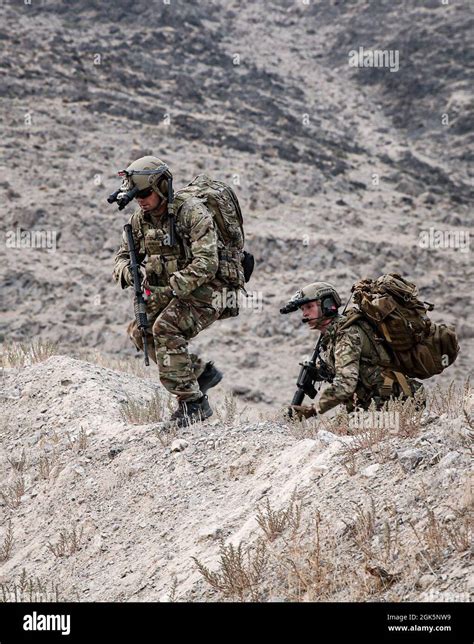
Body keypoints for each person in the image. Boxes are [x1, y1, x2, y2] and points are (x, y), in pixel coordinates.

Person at [112, 155, 231, 427]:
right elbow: (120, 259)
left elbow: (207, 264)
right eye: (136, 195)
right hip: (172, 293)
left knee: (165, 328)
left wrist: (172, 287)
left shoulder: (191, 213)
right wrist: (131, 271)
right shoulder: (139, 222)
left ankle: (193, 404)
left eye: (145, 193)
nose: (140, 200)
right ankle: (200, 374)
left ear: (161, 188)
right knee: (140, 332)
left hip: (209, 292)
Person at [283, 282, 423, 418]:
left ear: (327, 305)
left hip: (396, 404)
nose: (305, 314)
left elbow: (345, 384)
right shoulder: (332, 335)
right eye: (302, 309)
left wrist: (312, 410)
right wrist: (319, 372)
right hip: (371, 405)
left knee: (337, 431)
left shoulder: (347, 334)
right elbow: (350, 366)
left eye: (309, 307)